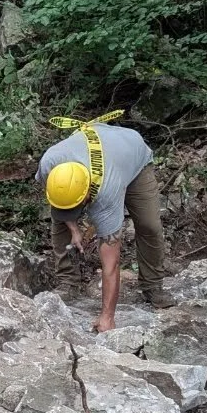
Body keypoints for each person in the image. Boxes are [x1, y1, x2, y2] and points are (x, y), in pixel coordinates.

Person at [36, 111, 174, 333]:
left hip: (133, 161)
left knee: (149, 225)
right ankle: (68, 281)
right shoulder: (49, 164)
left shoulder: (106, 193)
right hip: (101, 150)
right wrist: (73, 227)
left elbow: (111, 263)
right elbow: (60, 205)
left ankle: (152, 285)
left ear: (87, 196)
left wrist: (107, 317)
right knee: (59, 220)